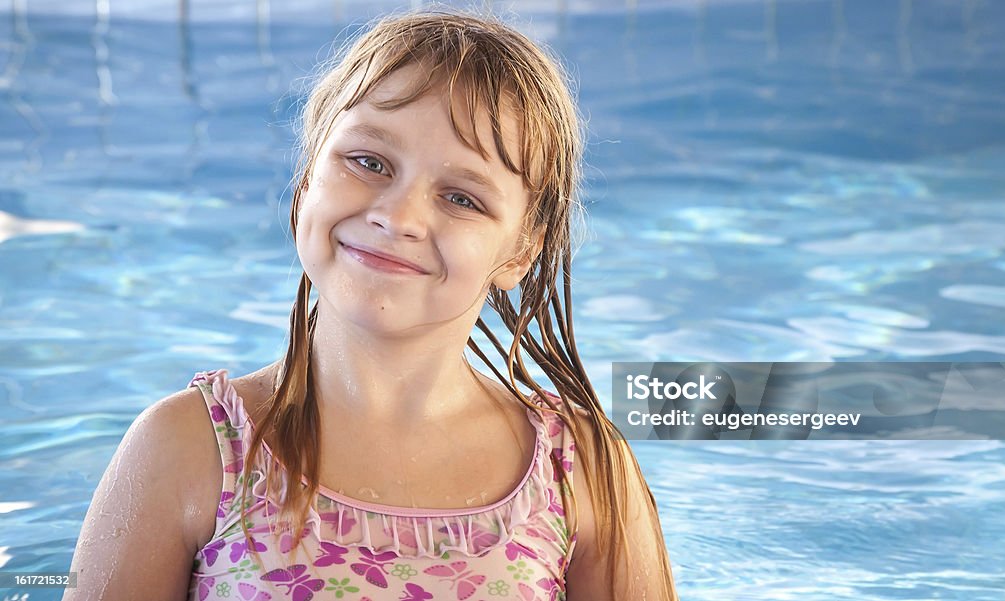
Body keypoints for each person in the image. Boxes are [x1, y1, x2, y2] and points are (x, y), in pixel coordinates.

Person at [65, 9, 677, 601]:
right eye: (369, 162)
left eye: (462, 198)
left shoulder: (582, 473)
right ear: (307, 181)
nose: (398, 215)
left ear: (520, 252)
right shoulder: (191, 450)